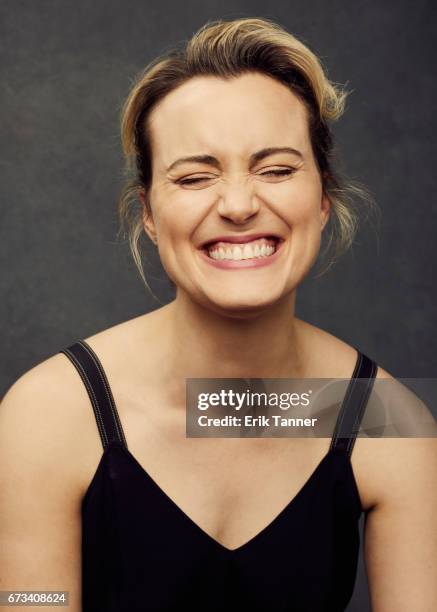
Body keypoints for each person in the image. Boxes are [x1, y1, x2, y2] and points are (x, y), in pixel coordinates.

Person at [1, 16, 436, 612]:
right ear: (148, 211)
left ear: (324, 195)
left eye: (277, 169)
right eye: (195, 176)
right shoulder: (47, 414)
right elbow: (29, 603)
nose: (237, 204)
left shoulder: (387, 423)